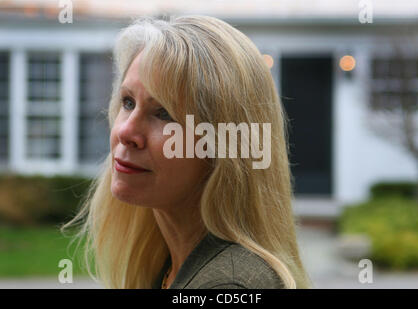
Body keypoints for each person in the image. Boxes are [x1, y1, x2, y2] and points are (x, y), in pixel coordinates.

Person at [62, 15, 312, 289]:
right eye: (128, 102)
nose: (125, 132)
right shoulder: (171, 266)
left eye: (164, 113)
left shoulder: (230, 286)